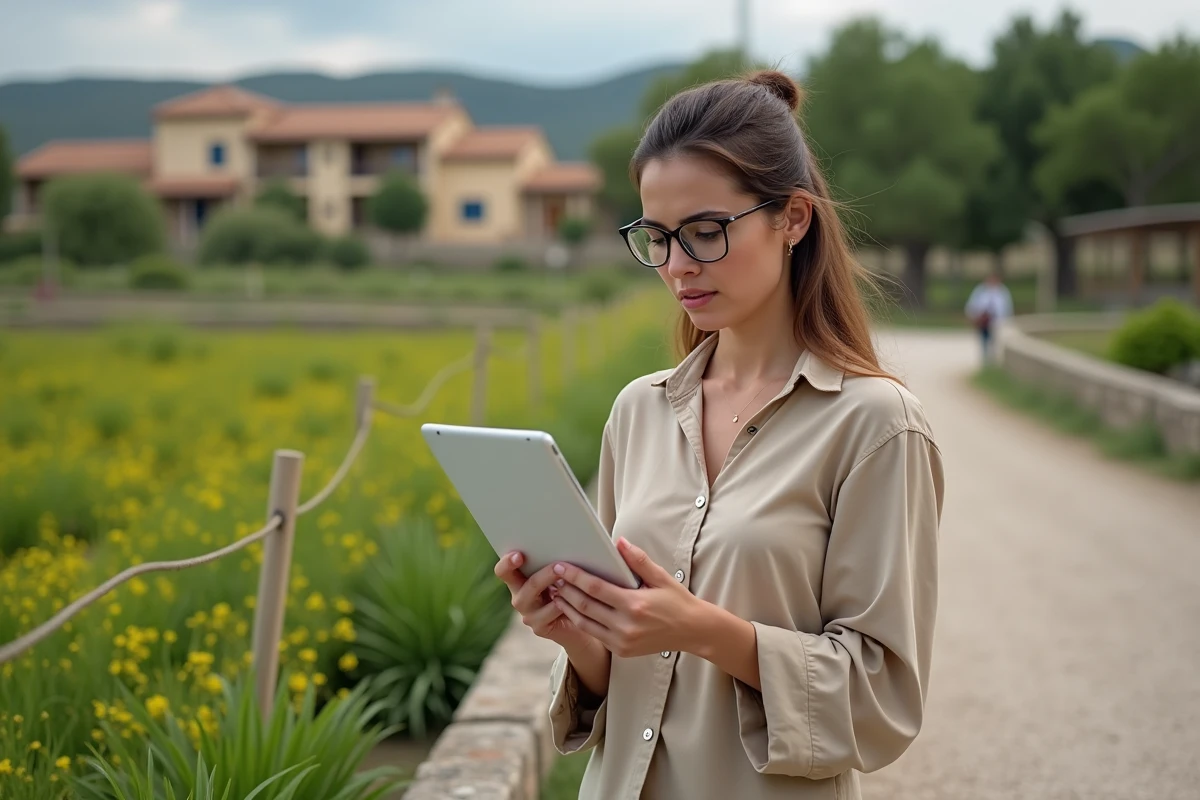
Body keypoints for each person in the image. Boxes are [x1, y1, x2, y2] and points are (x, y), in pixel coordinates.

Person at [494, 70, 944, 799]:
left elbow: (880, 703)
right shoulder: (637, 413)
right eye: (657, 237)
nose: (676, 267)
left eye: (705, 233)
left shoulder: (877, 428)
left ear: (793, 218)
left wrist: (703, 631)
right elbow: (620, 669)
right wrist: (576, 632)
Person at [964, 269, 1013, 364]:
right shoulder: (980, 291)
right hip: (983, 320)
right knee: (984, 339)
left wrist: (1006, 319)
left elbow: (1007, 307)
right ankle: (985, 358)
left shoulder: (1002, 292)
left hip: (997, 320)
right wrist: (973, 316)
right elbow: (973, 304)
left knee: (995, 340)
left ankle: (993, 358)